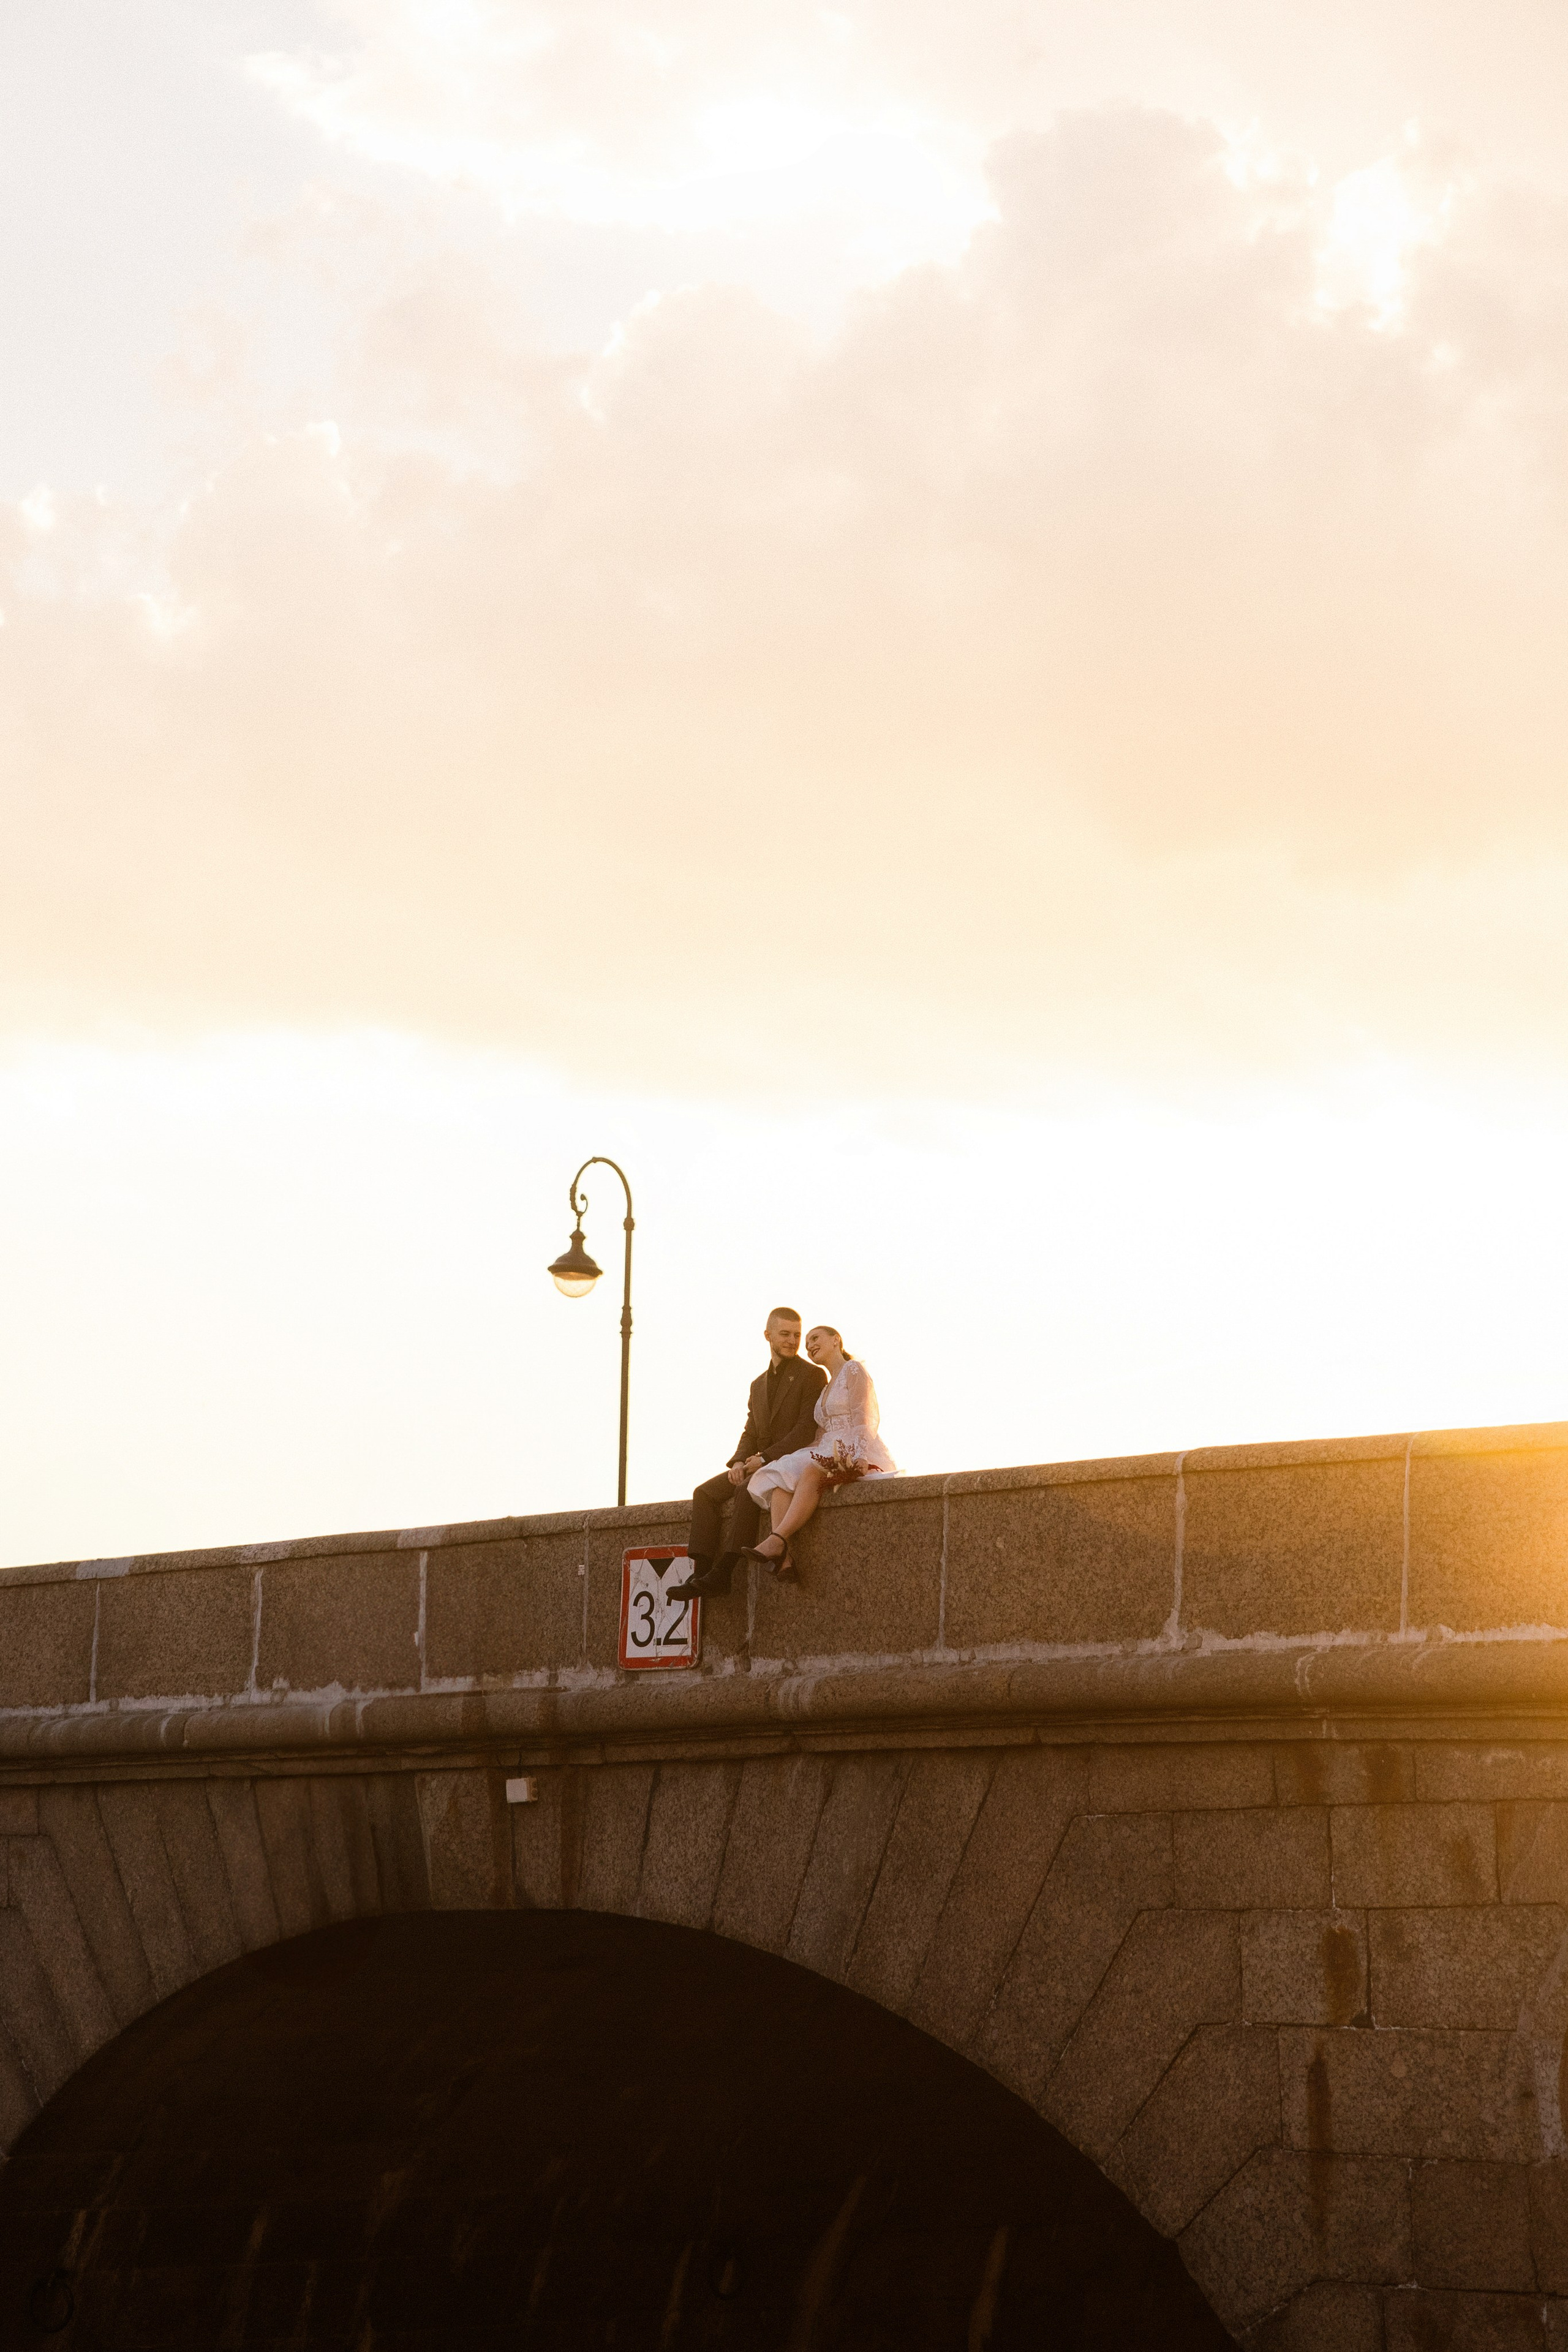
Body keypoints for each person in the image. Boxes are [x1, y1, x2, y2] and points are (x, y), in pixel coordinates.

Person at [670, 1308, 829, 1598]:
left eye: (797, 1334)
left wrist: (765, 1458)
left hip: (788, 1460)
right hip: (758, 1461)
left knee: (746, 1489)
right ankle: (701, 1571)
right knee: (704, 1493)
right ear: (768, 1335)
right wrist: (740, 1460)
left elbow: (805, 1430)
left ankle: (724, 1572)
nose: (793, 1341)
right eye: (785, 1334)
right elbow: (751, 1431)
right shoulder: (757, 1385)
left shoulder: (812, 1375)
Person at [745, 1325, 896, 1581]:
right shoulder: (826, 1388)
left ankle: (777, 1539)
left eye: (815, 1338)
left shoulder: (853, 1370)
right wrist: (801, 1455)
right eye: (807, 1344)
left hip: (854, 1447)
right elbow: (820, 1434)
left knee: (811, 1471)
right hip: (827, 1447)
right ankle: (784, 1558)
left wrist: (859, 1455)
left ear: (836, 1340)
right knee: (781, 1478)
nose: (809, 1346)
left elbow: (864, 1416)